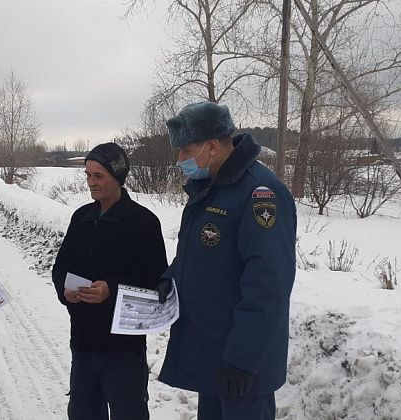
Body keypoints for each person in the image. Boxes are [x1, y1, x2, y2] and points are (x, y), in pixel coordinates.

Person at [156, 102, 297, 420]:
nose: (180, 160)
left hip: (243, 367)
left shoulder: (260, 193)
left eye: (185, 150)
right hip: (214, 355)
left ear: (212, 145)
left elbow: (268, 285)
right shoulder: (210, 189)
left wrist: (243, 359)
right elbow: (201, 253)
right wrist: (172, 276)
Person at [52, 142, 168, 420]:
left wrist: (111, 289)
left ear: (118, 177)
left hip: (124, 349)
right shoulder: (81, 217)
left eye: (98, 176)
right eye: (88, 175)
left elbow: (154, 281)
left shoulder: (143, 223)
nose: (91, 183)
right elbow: (61, 266)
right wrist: (65, 290)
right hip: (83, 342)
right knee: (82, 414)